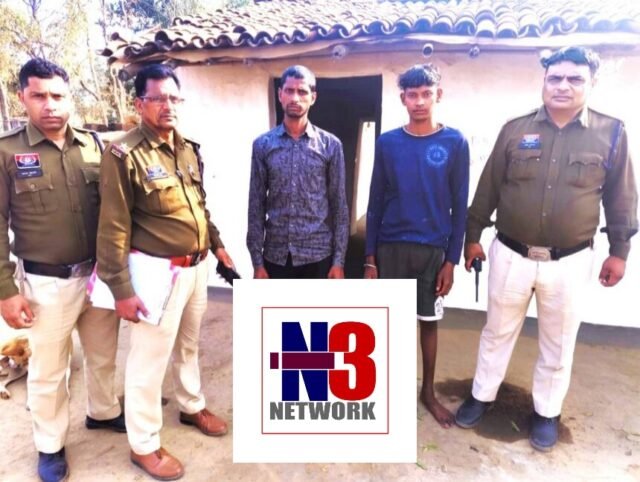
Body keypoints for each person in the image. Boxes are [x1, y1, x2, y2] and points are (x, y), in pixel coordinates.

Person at [455, 46, 638, 451]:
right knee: (496, 331)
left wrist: (619, 250)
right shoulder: (515, 129)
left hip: (569, 262)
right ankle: (481, 395)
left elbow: (622, 197)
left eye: (575, 79)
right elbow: (488, 188)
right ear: (544, 81)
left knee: (559, 341)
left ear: (591, 83)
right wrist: (472, 237)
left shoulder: (611, 133)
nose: (563, 86)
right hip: (510, 255)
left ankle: (547, 412)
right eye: (555, 78)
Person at [96, 64, 234, 480]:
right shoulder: (123, 154)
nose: (168, 106)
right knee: (148, 361)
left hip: (196, 269)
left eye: (174, 98)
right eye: (158, 98)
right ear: (140, 103)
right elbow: (113, 226)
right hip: (156, 274)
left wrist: (217, 244)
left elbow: (199, 206)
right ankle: (143, 444)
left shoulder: (187, 148)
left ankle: (191, 406)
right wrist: (121, 289)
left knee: (189, 346)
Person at [0, 58, 124, 482]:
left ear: (70, 98)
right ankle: (50, 445)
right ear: (23, 97)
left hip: (98, 278)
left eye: (58, 95)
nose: (50, 104)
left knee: (103, 354)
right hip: (45, 283)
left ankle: (103, 412)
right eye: (39, 95)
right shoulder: (7, 151)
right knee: (50, 370)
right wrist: (5, 290)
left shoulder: (94, 145)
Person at [365, 64, 469, 428]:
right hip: (392, 247)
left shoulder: (454, 142)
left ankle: (428, 392)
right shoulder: (388, 143)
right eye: (413, 95)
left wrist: (451, 261)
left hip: (432, 251)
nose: (420, 101)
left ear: (438, 95)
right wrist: (370, 258)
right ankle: (387, 391)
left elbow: (460, 206)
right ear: (403, 99)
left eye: (426, 94)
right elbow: (375, 201)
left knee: (428, 322)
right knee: (389, 323)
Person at [247, 65, 349, 279]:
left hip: (318, 255)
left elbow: (339, 205)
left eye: (302, 91)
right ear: (280, 95)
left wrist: (338, 261)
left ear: (313, 97)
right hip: (276, 257)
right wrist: (257, 262)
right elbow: (256, 205)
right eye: (289, 90)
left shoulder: (330, 145)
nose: (295, 98)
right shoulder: (263, 145)